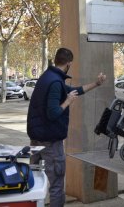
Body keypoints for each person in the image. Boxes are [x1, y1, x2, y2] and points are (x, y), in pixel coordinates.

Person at [27, 47, 106, 207]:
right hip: (50, 143)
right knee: (56, 186)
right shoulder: (55, 82)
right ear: (69, 63)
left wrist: (96, 84)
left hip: (36, 140)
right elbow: (53, 113)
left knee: (34, 182)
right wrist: (67, 102)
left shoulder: (47, 77)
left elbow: (74, 90)